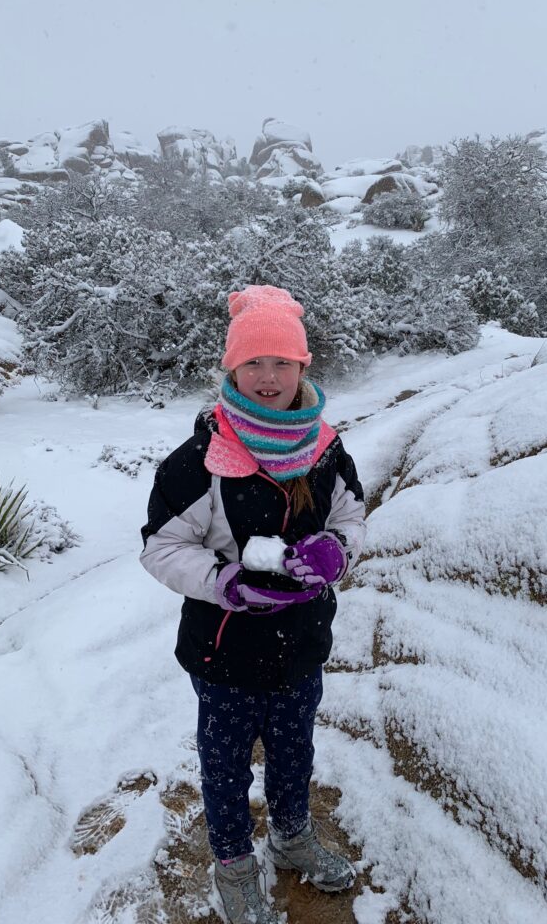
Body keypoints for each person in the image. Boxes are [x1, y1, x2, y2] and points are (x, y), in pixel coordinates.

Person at [140, 285, 366, 924]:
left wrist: (336, 551)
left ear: (304, 366)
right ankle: (235, 864)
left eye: (282, 362)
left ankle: (291, 839)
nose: (268, 377)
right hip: (224, 653)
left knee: (295, 750)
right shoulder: (199, 461)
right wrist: (227, 583)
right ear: (230, 368)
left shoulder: (325, 447)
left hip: (302, 645)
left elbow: (352, 514)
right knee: (225, 764)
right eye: (253, 363)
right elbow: (161, 547)